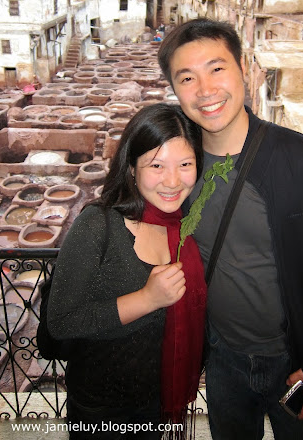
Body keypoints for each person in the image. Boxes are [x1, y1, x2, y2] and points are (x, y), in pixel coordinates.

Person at [158, 17, 303, 440]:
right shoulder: (174, 172)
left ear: (244, 69)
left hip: (295, 361)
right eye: (187, 77)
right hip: (222, 359)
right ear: (174, 90)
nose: (206, 90)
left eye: (217, 68)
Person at [47, 103, 206, 439]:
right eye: (157, 165)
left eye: (185, 164)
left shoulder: (185, 226)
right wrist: (148, 299)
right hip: (102, 412)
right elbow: (62, 321)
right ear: (132, 167)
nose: (173, 181)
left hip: (157, 404)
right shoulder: (98, 225)